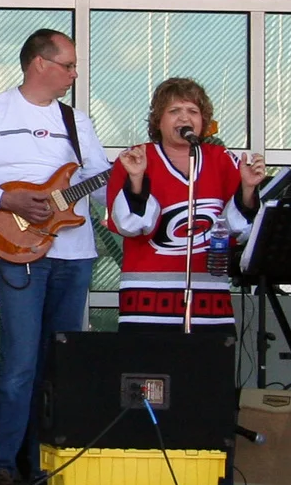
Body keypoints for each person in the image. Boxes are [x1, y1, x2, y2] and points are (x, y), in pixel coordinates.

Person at [0, 29, 106, 485]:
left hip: (74, 254)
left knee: (59, 365)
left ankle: (43, 464)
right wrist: (5, 198)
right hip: (18, 250)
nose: (74, 74)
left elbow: (99, 184)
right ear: (39, 63)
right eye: (68, 65)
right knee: (19, 363)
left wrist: (132, 176)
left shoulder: (77, 122)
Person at [104, 77, 267, 331]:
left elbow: (239, 229)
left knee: (209, 356)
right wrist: (136, 179)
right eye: (174, 111)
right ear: (158, 120)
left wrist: (248, 188)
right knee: (148, 358)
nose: (184, 118)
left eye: (193, 111)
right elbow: (130, 226)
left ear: (203, 120)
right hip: (146, 295)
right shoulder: (136, 158)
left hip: (209, 294)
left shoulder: (222, 159)